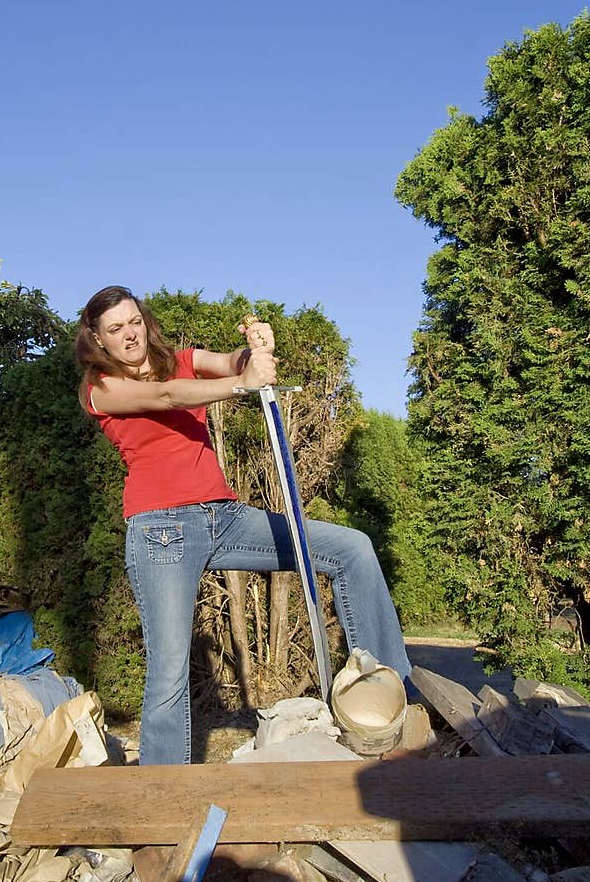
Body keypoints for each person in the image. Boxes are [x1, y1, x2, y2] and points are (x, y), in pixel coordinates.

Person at [75, 285, 412, 765]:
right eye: (115, 329)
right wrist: (242, 384)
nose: (130, 335)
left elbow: (229, 362)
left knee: (351, 549)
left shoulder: (183, 359)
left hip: (225, 515)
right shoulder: (102, 389)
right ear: (97, 339)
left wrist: (256, 350)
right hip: (162, 530)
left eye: (134, 322)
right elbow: (169, 396)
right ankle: (160, 799)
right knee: (168, 672)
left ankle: (390, 698)